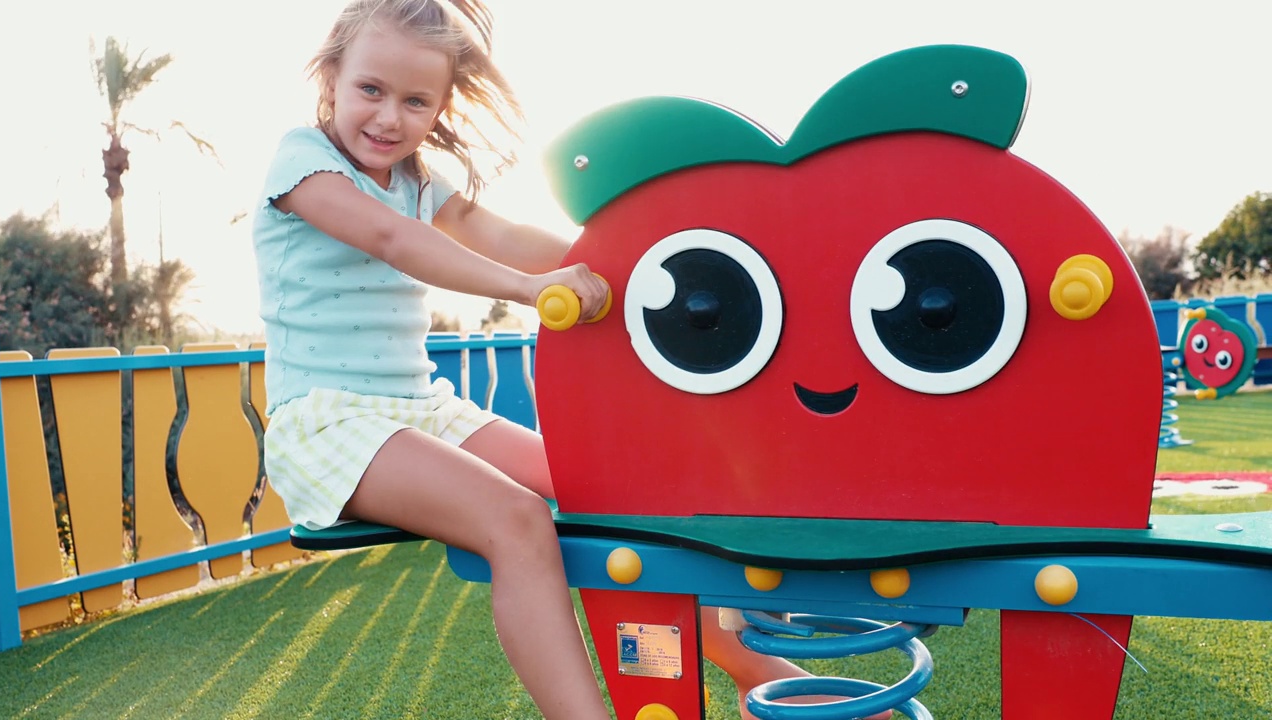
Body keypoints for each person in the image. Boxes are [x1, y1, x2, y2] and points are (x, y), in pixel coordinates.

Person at [253, 1, 890, 718]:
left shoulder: (419, 183)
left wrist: (635, 266)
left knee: (610, 491)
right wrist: (528, 290)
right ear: (332, 74)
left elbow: (505, 234)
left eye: (415, 101)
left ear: (440, 106)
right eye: (371, 89)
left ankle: (757, 675)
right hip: (329, 422)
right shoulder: (303, 161)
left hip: (420, 409)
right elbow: (392, 241)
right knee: (516, 518)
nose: (389, 118)